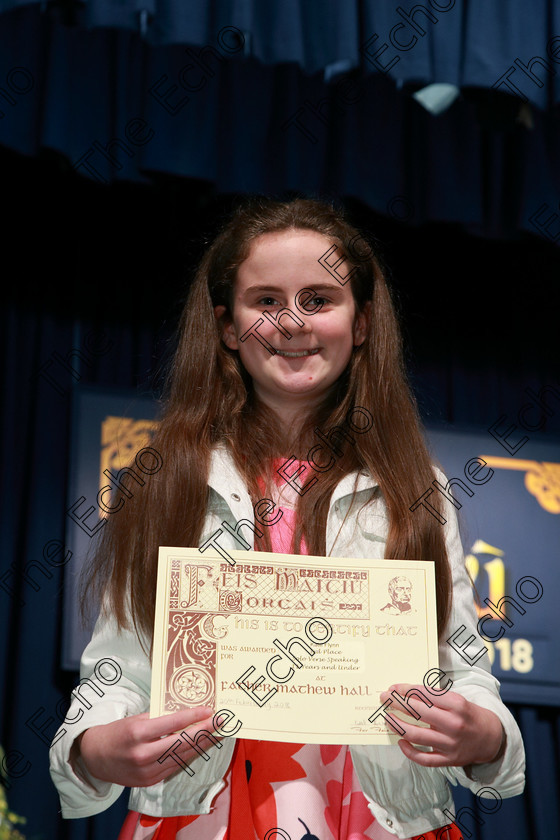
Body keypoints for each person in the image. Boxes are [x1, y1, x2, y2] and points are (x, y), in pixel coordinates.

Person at [50, 197, 525, 840]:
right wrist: (93, 751)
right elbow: (120, 671)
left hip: (379, 817)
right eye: (266, 301)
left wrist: (485, 734)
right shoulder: (165, 478)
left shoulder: (416, 488)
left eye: (319, 299)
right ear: (225, 325)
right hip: (203, 815)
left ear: (360, 324)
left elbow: (461, 668)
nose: (292, 322)